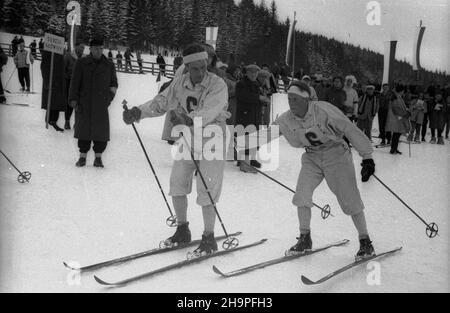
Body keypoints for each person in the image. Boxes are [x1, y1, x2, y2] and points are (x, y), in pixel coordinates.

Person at [238, 80, 376, 260]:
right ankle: (305, 238)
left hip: (336, 155)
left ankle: (365, 241)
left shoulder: (323, 110)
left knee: (349, 199)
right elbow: (268, 134)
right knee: (302, 195)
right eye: (289, 99)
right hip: (312, 157)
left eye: (295, 99)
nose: (291, 103)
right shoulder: (287, 119)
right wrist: (240, 143)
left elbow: (348, 128)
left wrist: (367, 157)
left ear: (306, 99)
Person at [122, 44, 230, 256]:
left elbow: (210, 110)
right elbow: (161, 102)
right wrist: (138, 113)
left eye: (203, 67)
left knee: (207, 189)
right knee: (177, 183)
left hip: (212, 138)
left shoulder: (218, 84)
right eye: (195, 68)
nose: (200, 72)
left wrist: (189, 118)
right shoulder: (180, 83)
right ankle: (182, 229)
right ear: (186, 67)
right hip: (189, 138)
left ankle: (209, 238)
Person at [69, 36, 118, 168]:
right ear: (90, 49)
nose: (99, 51)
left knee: (100, 134)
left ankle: (98, 158)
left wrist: (108, 98)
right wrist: (73, 100)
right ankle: (82, 157)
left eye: (101, 48)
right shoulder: (81, 63)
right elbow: (74, 83)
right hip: (84, 103)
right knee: (84, 132)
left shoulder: (109, 65)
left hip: (101, 104)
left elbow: (114, 84)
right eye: (96, 48)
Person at [235, 64, 266, 172]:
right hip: (245, 116)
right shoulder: (241, 84)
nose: (253, 74)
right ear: (247, 73)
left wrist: (263, 101)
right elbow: (243, 96)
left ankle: (250, 159)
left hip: (255, 115)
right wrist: (259, 98)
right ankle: (244, 163)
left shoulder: (257, 84)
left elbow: (258, 98)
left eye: (255, 72)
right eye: (251, 72)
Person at [41, 43, 67, 132]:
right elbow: (44, 67)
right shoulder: (48, 53)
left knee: (57, 102)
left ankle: (53, 120)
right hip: (52, 81)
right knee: (51, 101)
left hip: (59, 82)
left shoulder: (61, 54)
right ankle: (49, 120)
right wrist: (47, 82)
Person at [64, 41, 85, 130]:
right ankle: (67, 121)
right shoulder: (69, 56)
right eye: (81, 47)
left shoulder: (84, 58)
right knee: (70, 102)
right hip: (70, 83)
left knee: (80, 103)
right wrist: (68, 78)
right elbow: (63, 69)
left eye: (83, 48)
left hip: (81, 84)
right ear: (76, 47)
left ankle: (77, 123)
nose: (82, 49)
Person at [385, 86, 411, 154]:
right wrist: (404, 114)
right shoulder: (396, 97)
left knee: (397, 133)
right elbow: (396, 108)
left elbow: (399, 108)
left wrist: (406, 111)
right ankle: (393, 149)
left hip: (398, 117)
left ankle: (394, 148)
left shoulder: (397, 96)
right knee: (397, 133)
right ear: (401, 91)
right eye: (403, 91)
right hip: (397, 117)